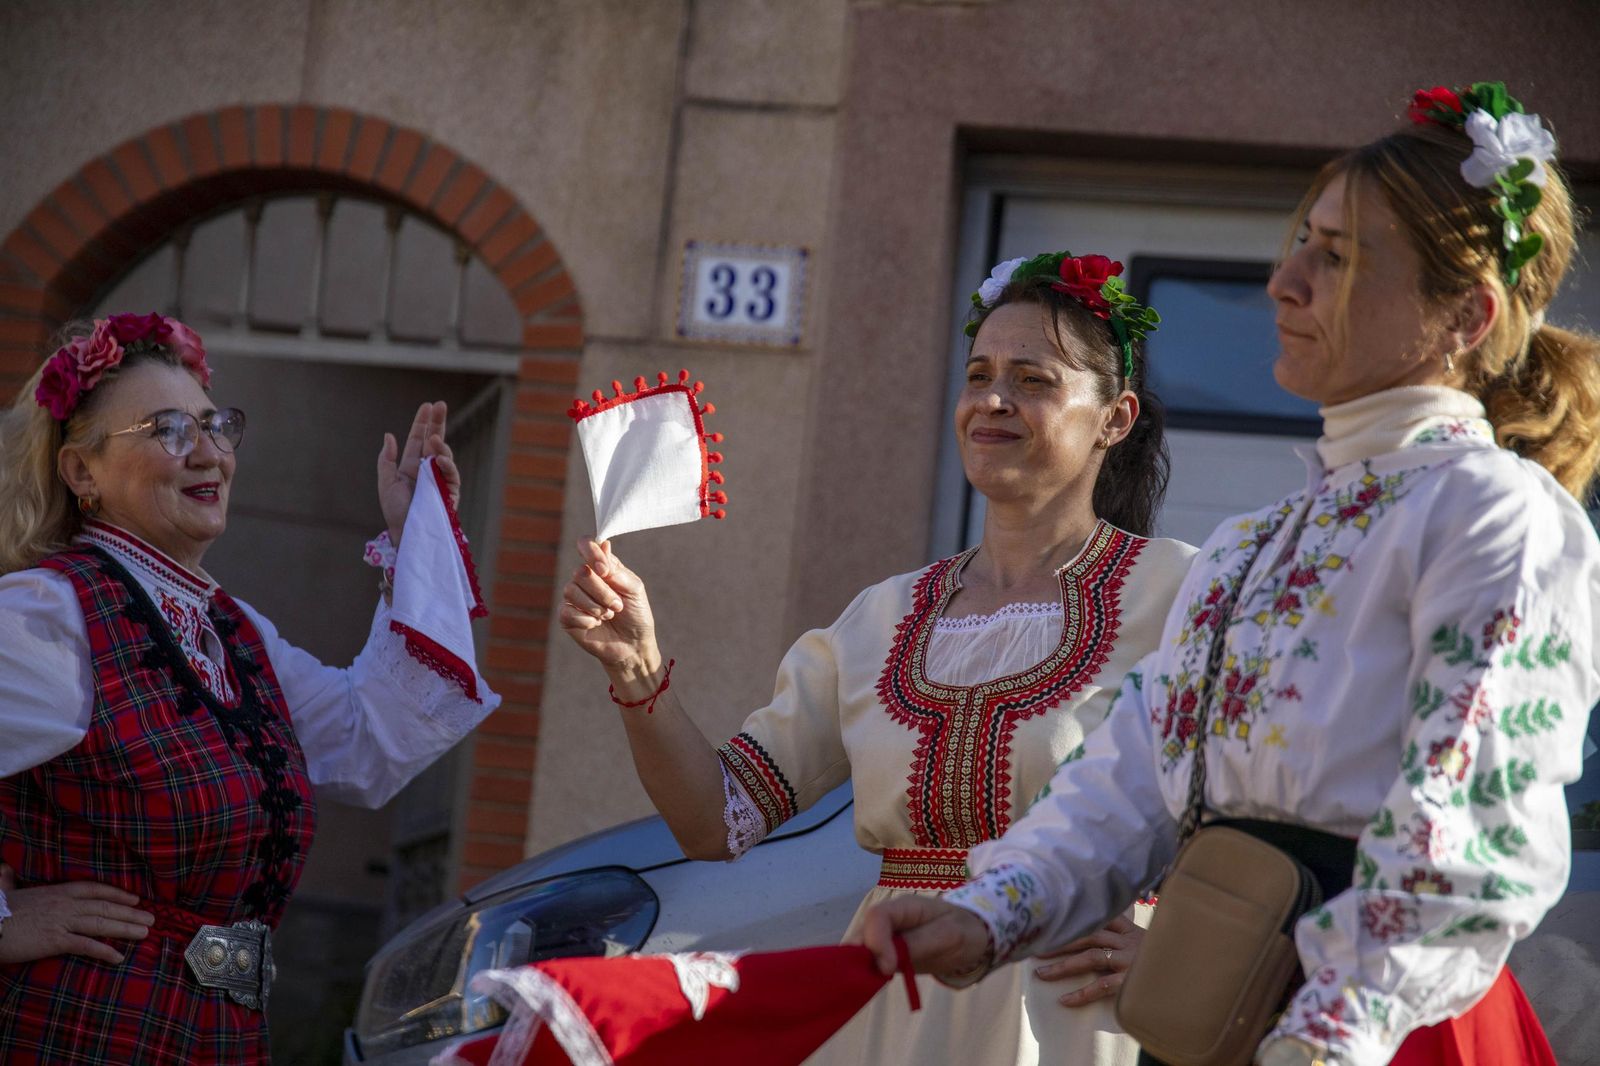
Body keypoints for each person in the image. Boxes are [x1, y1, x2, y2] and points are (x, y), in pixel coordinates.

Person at [860, 81, 1600, 1066]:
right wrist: (987, 912)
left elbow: (1472, 836)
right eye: (1302, 241)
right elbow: (1127, 779)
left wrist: (1323, 1038)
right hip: (1226, 1017)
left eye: (1334, 257)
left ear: (1465, 313)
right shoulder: (1249, 544)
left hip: (1382, 1030)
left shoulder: (1491, 516)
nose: (1283, 282)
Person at [559, 251, 1196, 1065]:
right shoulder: (883, 617)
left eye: (1033, 379)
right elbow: (716, 822)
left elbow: (1275, 817)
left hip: (1069, 1023)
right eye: (979, 374)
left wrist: (1178, 959)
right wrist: (638, 671)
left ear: (1115, 417)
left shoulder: (1180, 591)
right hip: (893, 1018)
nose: (992, 400)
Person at [0, 312, 500, 1064]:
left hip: (217, 1042)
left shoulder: (231, 630)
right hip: (80, 1034)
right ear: (82, 472)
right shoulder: (48, 616)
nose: (209, 452)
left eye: (215, 424)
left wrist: (412, 540)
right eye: (167, 430)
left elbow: (366, 744)